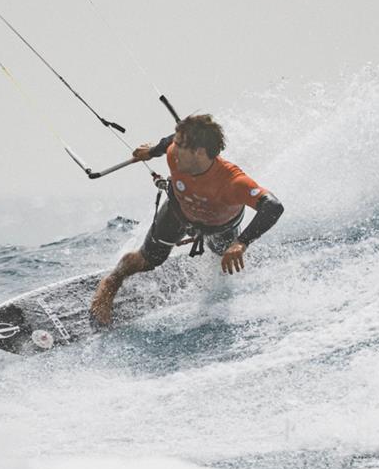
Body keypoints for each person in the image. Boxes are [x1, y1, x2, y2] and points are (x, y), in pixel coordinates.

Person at [90, 114, 284, 326]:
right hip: (178, 213)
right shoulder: (174, 152)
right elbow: (168, 142)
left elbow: (273, 207)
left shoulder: (233, 181)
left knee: (223, 257)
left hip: (221, 226)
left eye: (180, 145)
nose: (174, 149)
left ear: (199, 152)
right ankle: (110, 283)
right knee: (148, 259)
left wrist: (242, 243)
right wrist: (151, 151)